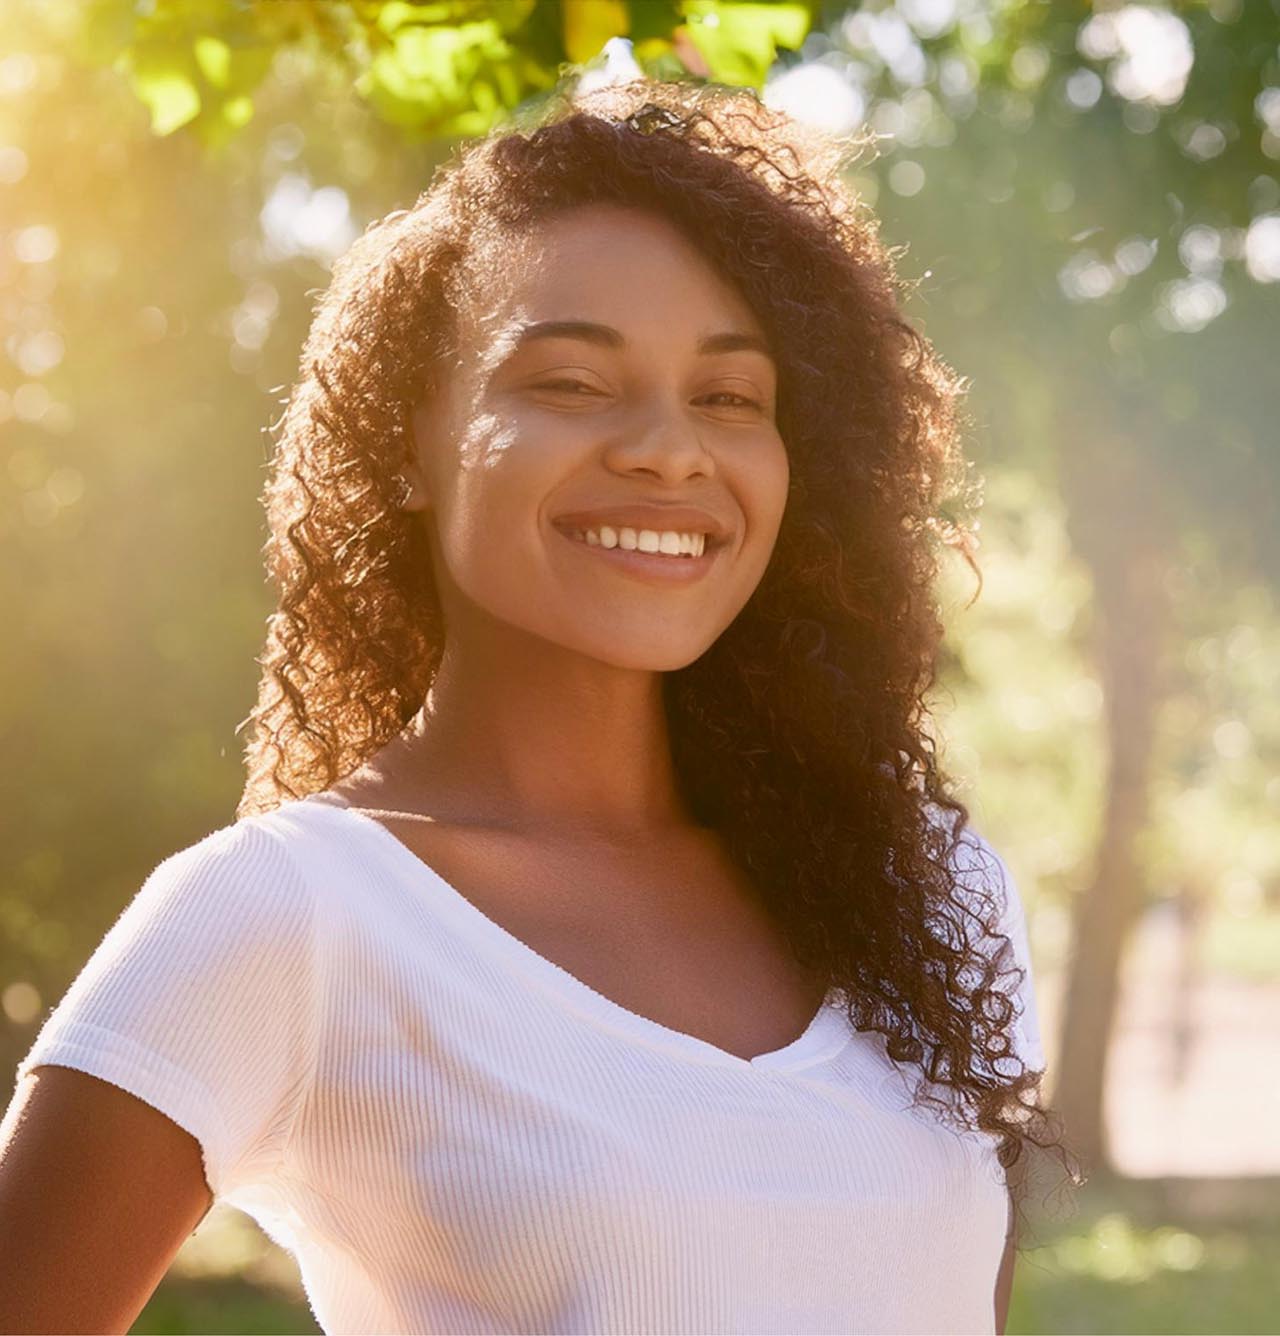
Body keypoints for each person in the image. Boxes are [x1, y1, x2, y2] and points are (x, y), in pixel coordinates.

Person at [0, 78, 1076, 1335]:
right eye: (570, 382)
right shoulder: (292, 914)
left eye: (730, 398)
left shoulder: (931, 892)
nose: (669, 450)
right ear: (409, 438)